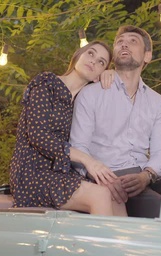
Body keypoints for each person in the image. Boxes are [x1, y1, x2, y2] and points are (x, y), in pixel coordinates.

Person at [9, 41, 127, 216]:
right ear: (78, 56)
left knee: (116, 196)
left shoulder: (85, 100)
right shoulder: (46, 85)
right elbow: (38, 136)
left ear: (99, 75)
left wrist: (112, 76)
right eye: (90, 54)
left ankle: (122, 244)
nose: (93, 61)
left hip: (63, 173)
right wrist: (88, 161)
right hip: (31, 173)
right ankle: (102, 244)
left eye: (101, 62)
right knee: (100, 195)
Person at [70, 26, 161, 218]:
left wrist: (146, 176)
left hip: (147, 173)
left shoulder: (158, 103)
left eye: (133, 41)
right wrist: (102, 179)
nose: (124, 43)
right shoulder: (91, 94)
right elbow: (79, 147)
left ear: (147, 56)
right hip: (110, 176)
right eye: (119, 41)